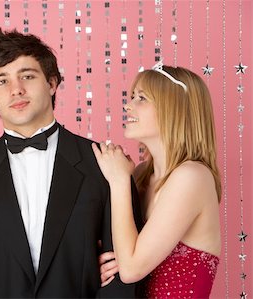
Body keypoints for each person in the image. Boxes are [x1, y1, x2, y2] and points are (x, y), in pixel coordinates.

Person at [0, 28, 141, 298]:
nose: (16, 90)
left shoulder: (105, 166)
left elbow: (124, 280)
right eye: (2, 81)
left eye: (27, 76)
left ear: (52, 83)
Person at [92, 62, 221, 298]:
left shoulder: (192, 177)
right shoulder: (141, 175)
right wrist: (99, 266)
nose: (128, 106)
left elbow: (131, 270)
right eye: (132, 97)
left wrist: (119, 181)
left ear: (175, 109)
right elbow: (123, 253)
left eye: (141, 98)